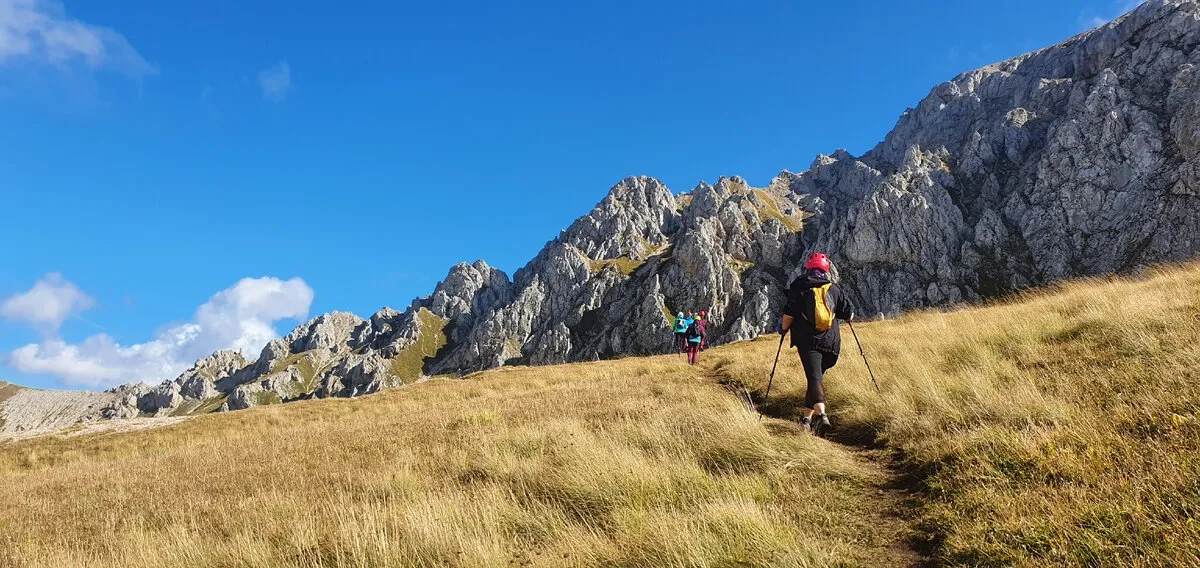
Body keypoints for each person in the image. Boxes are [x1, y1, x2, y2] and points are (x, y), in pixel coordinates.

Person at [779, 252, 854, 436]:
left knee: (814, 378)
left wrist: (783, 330)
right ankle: (806, 419)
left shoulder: (800, 286)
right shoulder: (833, 288)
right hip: (831, 342)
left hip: (808, 341)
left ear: (808, 267)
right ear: (826, 270)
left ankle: (822, 416)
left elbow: (789, 313)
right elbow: (849, 313)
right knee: (815, 378)